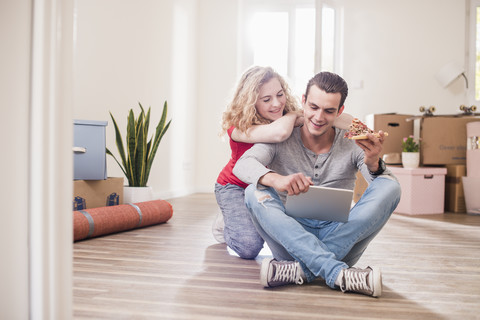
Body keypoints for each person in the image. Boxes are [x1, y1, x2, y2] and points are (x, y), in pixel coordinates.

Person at [233, 71, 401, 297]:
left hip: (340, 235)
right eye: (313, 107)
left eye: (329, 111)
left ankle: (301, 271)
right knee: (255, 191)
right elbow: (243, 165)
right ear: (303, 101)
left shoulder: (352, 141)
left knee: (391, 186)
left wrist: (372, 163)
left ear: (340, 112)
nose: (319, 117)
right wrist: (278, 179)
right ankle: (337, 273)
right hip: (290, 238)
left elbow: (378, 184)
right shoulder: (282, 136)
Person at [214, 66, 303, 259]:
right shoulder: (238, 128)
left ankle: (247, 217)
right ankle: (226, 223)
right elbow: (279, 133)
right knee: (248, 248)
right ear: (251, 102)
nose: (277, 103)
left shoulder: (285, 119)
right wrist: (293, 115)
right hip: (234, 186)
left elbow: (329, 118)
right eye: (266, 99)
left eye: (280, 94)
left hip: (268, 187)